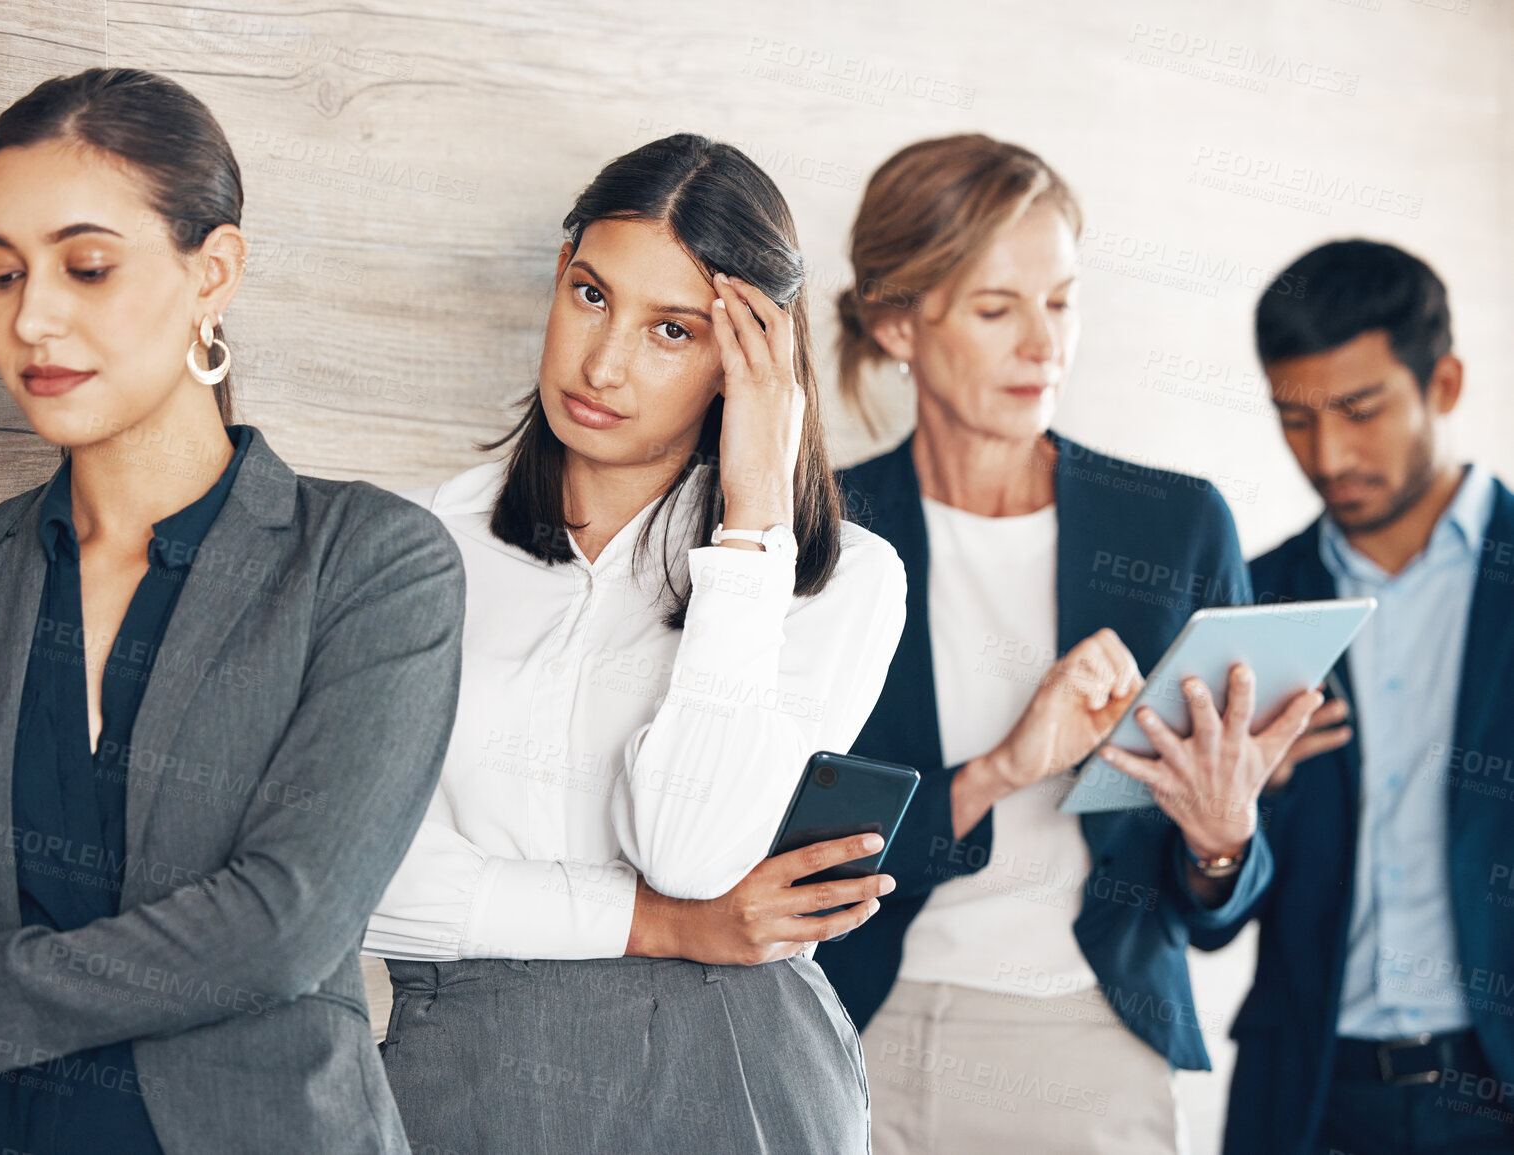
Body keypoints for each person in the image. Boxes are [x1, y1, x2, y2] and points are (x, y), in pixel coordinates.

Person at [0, 68, 462, 1155]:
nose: (32, 317)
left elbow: (281, 930)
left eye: (86, 266)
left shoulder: (371, 565)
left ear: (215, 272)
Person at [363, 133, 907, 1154]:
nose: (603, 362)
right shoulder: (414, 548)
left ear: (749, 366)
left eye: (672, 330)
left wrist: (751, 519)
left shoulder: (840, 579)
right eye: (590, 294)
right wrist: (657, 926)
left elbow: (693, 854)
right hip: (463, 1080)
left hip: (739, 1081)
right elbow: (357, 890)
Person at [812, 134, 1323, 1154]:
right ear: (897, 323)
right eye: (998, 310)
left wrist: (1223, 838)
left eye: (1061, 302)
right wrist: (1003, 768)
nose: (1044, 347)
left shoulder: (1175, 527)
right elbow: (794, 855)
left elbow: (1216, 908)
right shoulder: (826, 535)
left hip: (1099, 1037)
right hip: (859, 1031)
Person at [1199, 239, 1514, 1155]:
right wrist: (1236, 809)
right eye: (1293, 418)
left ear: (1443, 383)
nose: (1326, 452)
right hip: (1309, 1100)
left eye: (1358, 410)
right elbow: (1200, 912)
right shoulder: (1250, 605)